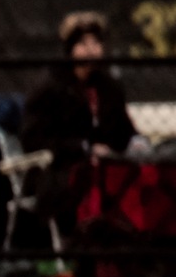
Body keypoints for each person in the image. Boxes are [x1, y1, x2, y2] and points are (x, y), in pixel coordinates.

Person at [23, 11, 148, 168]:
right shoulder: (50, 87)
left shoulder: (109, 86)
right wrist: (84, 148)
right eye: (83, 43)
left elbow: (123, 130)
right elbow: (34, 139)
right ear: (70, 49)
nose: (91, 49)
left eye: (95, 43)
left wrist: (136, 142)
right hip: (61, 170)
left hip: (106, 167)